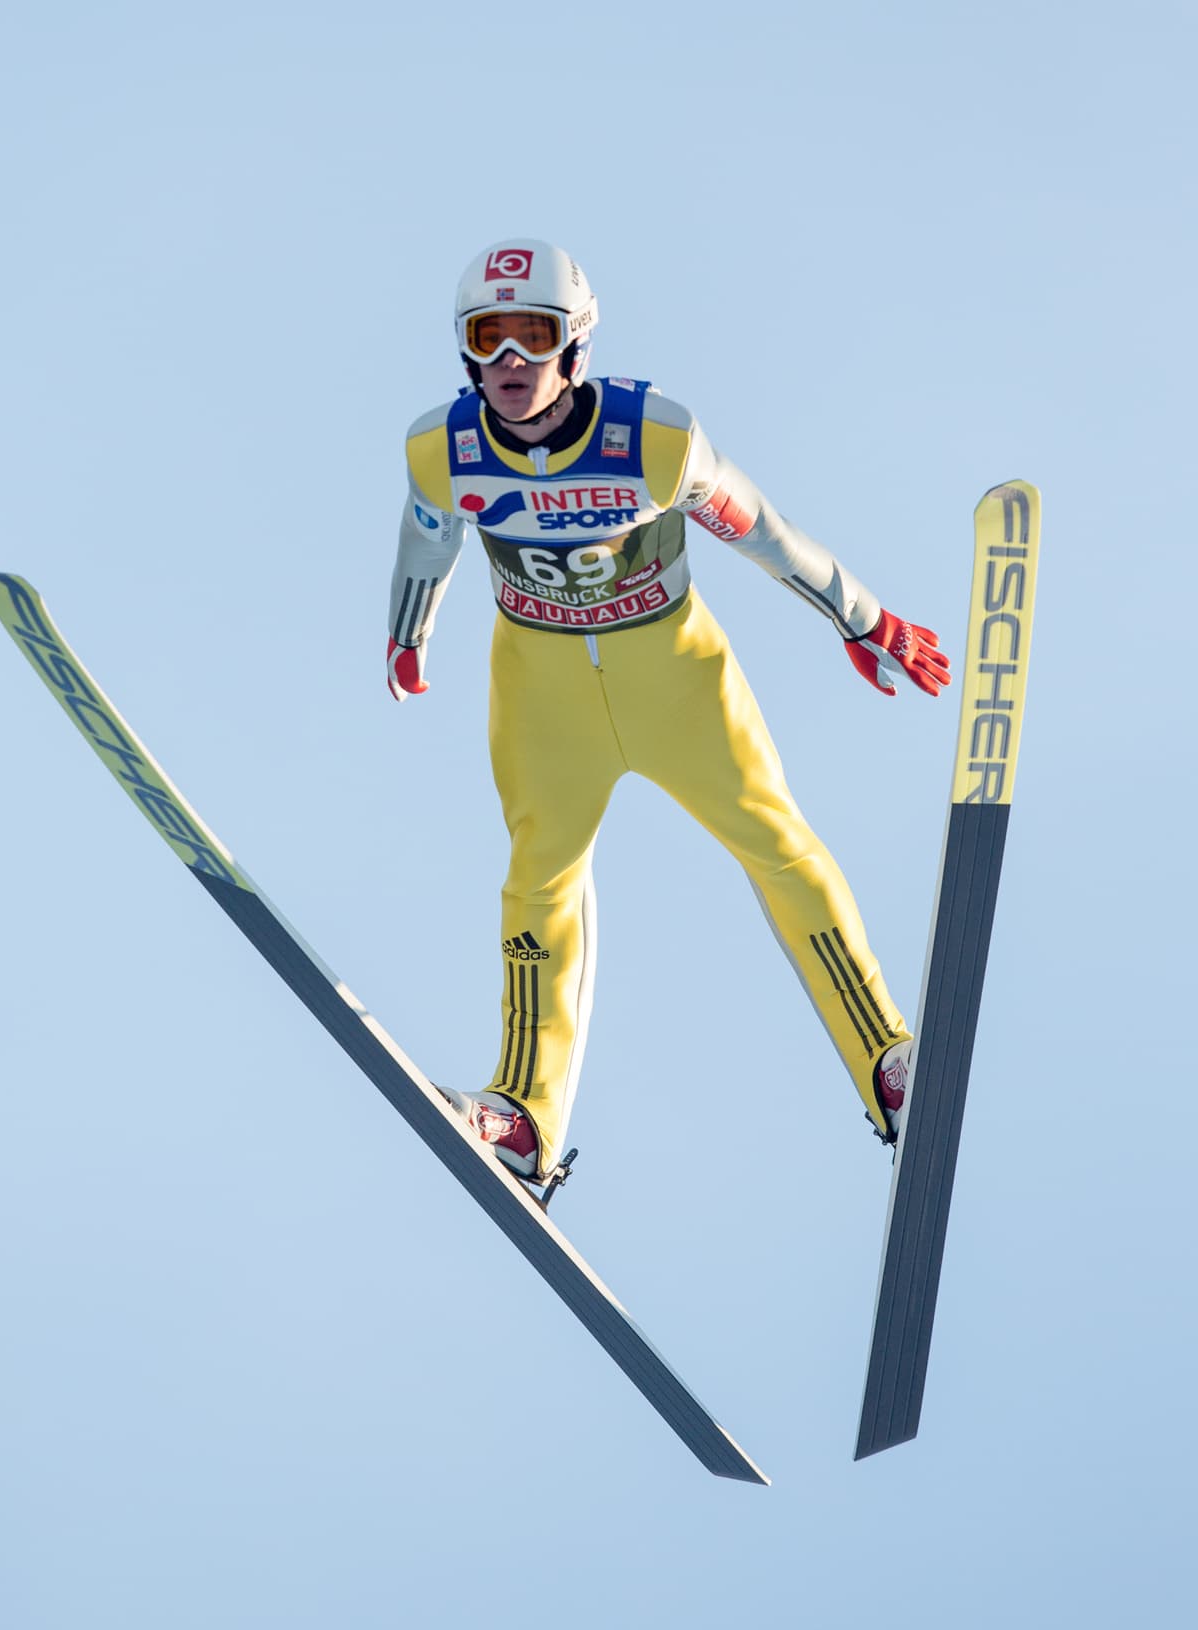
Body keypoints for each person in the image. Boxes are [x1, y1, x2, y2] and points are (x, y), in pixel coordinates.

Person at [387, 239, 950, 1186]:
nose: (512, 364)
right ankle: (523, 1114)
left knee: (775, 841)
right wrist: (409, 634)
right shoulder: (440, 449)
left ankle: (887, 1061)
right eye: (491, 340)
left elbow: (764, 532)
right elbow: (425, 538)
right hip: (542, 690)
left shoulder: (656, 439)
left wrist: (865, 618)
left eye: (536, 336)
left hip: (675, 674)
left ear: (578, 345)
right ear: (465, 352)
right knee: (539, 880)